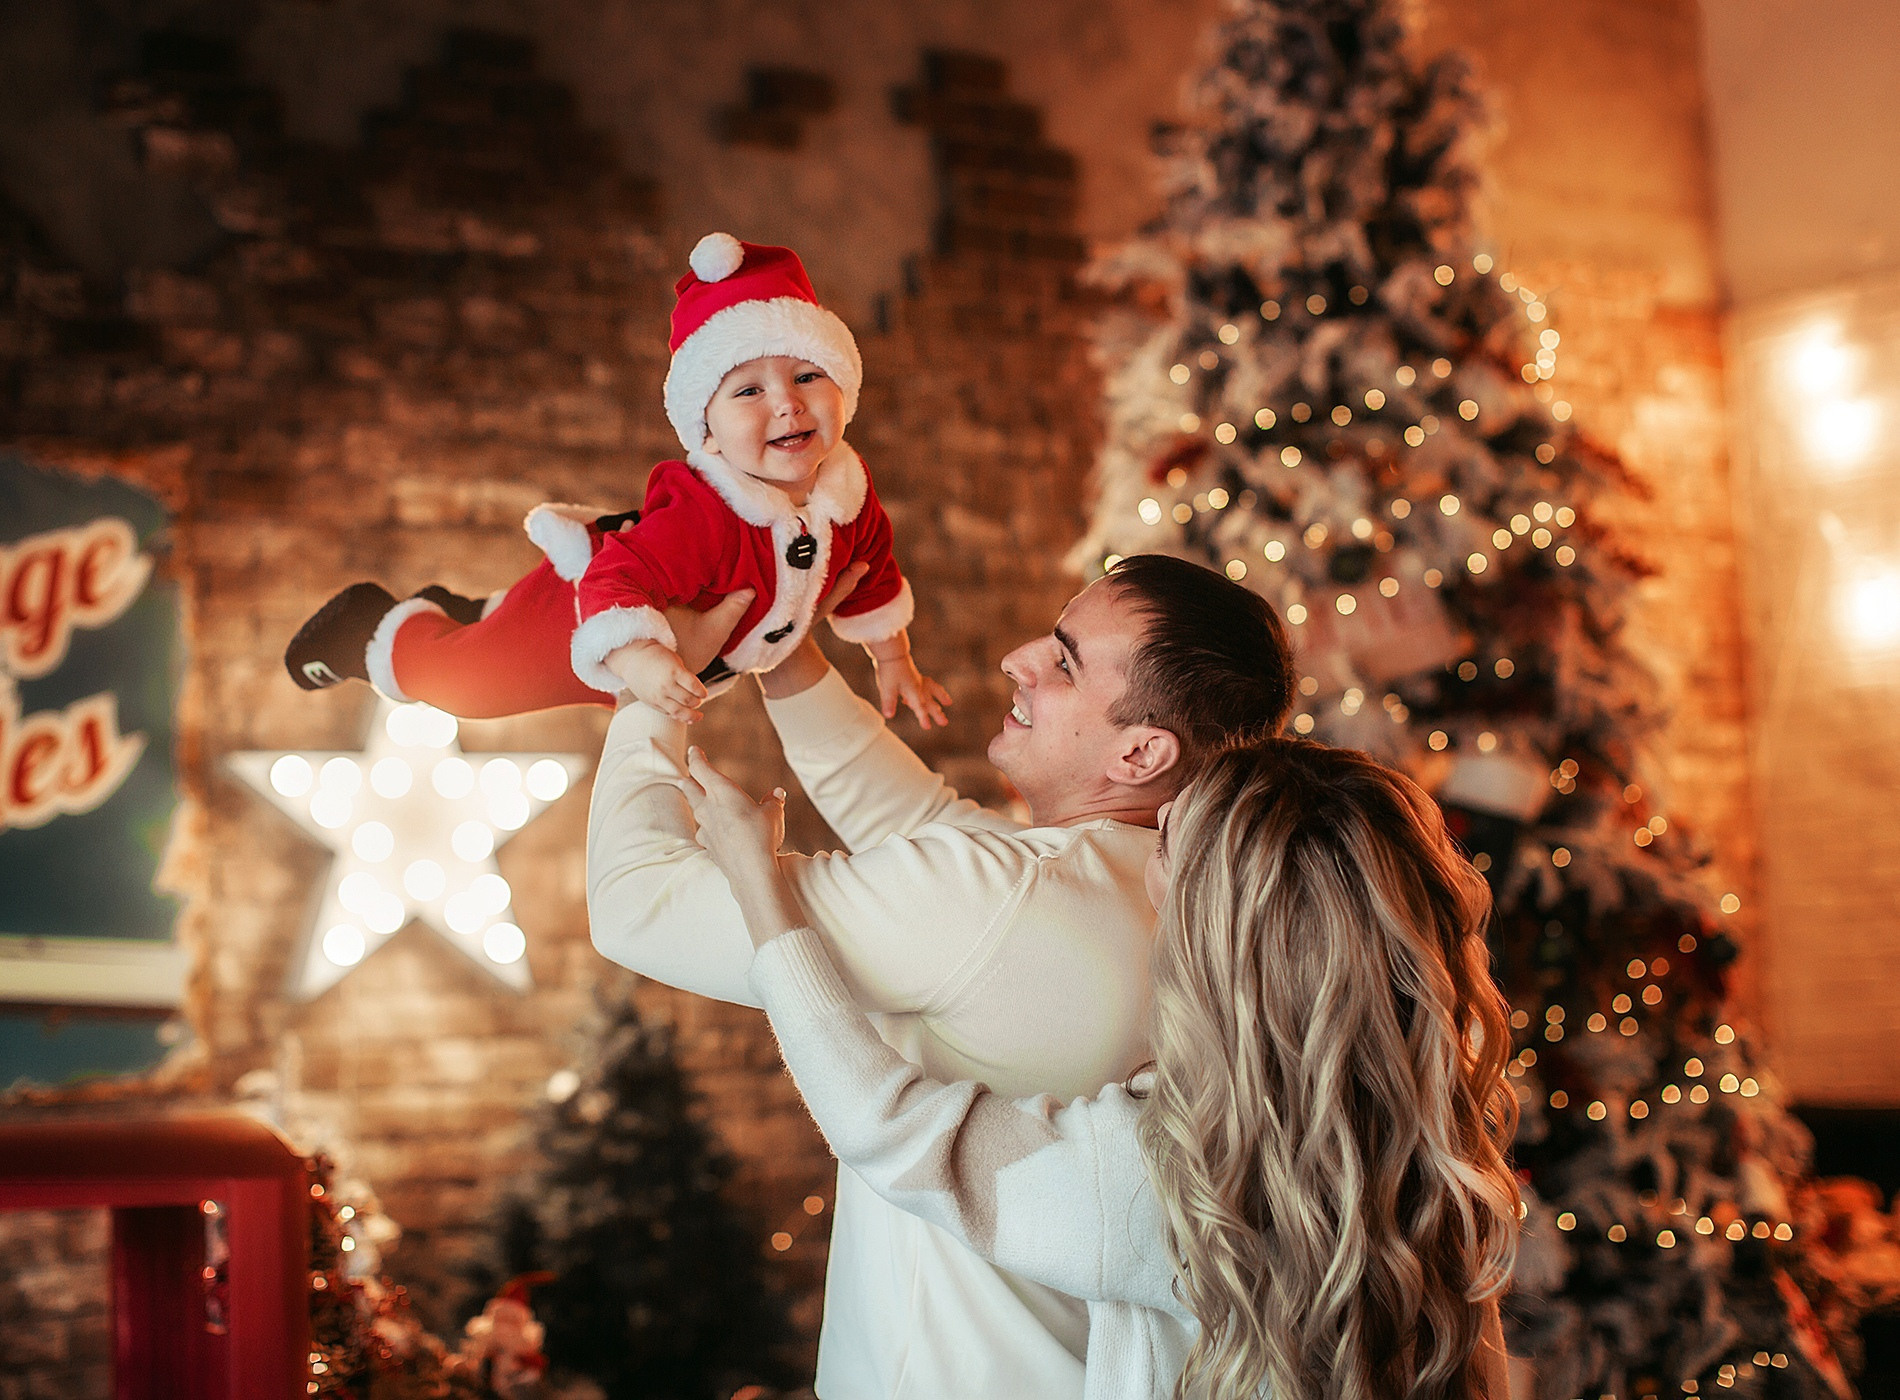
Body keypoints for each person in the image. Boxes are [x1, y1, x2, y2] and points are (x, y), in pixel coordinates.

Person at [586, 553, 1296, 1399]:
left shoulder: (1005, 895)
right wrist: (780, 637)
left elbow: (637, 902)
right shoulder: (1174, 887)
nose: (1020, 659)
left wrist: (650, 688)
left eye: (1064, 662)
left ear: (1141, 752)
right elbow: (913, 820)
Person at [682, 736, 1522, 1400]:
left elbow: (888, 1127)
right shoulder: (1435, 1167)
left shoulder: (1165, 1179)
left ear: (1212, 924)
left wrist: (758, 880)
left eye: (1164, 840)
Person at [281, 232, 948, 728]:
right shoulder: (706, 514)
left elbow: (874, 578)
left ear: (844, 387)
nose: (787, 404)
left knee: (493, 634)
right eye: (748, 390)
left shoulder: (849, 499)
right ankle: (370, 637)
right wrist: (643, 661)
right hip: (583, 622)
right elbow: (614, 583)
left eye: (808, 376)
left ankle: (463, 610)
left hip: (662, 638)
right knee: (472, 687)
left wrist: (893, 661)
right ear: (706, 430)